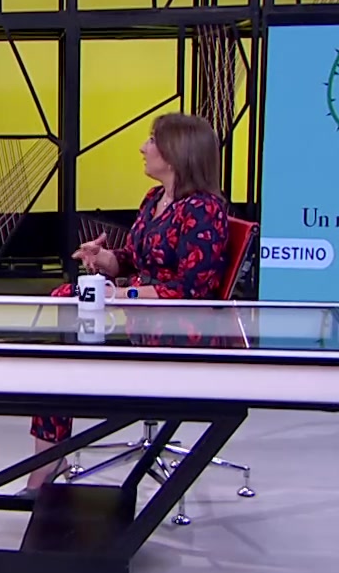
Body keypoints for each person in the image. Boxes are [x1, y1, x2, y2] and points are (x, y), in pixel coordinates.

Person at [25, 112, 231, 493]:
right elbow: (135, 260)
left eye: (152, 140)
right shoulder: (154, 199)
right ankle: (50, 452)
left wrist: (120, 295)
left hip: (175, 331)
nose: (143, 147)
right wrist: (106, 260)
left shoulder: (203, 211)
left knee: (61, 354)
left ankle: (50, 455)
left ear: (176, 153)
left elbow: (192, 291)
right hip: (139, 314)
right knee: (61, 314)